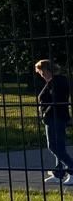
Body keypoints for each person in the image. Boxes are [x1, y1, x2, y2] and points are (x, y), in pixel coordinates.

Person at [35, 59, 73, 187]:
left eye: (41, 72)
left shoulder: (57, 82)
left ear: (46, 70)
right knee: (59, 146)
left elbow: (56, 101)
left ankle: (71, 169)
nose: (41, 75)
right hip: (55, 116)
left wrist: (45, 113)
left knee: (54, 146)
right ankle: (59, 172)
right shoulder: (55, 81)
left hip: (55, 117)